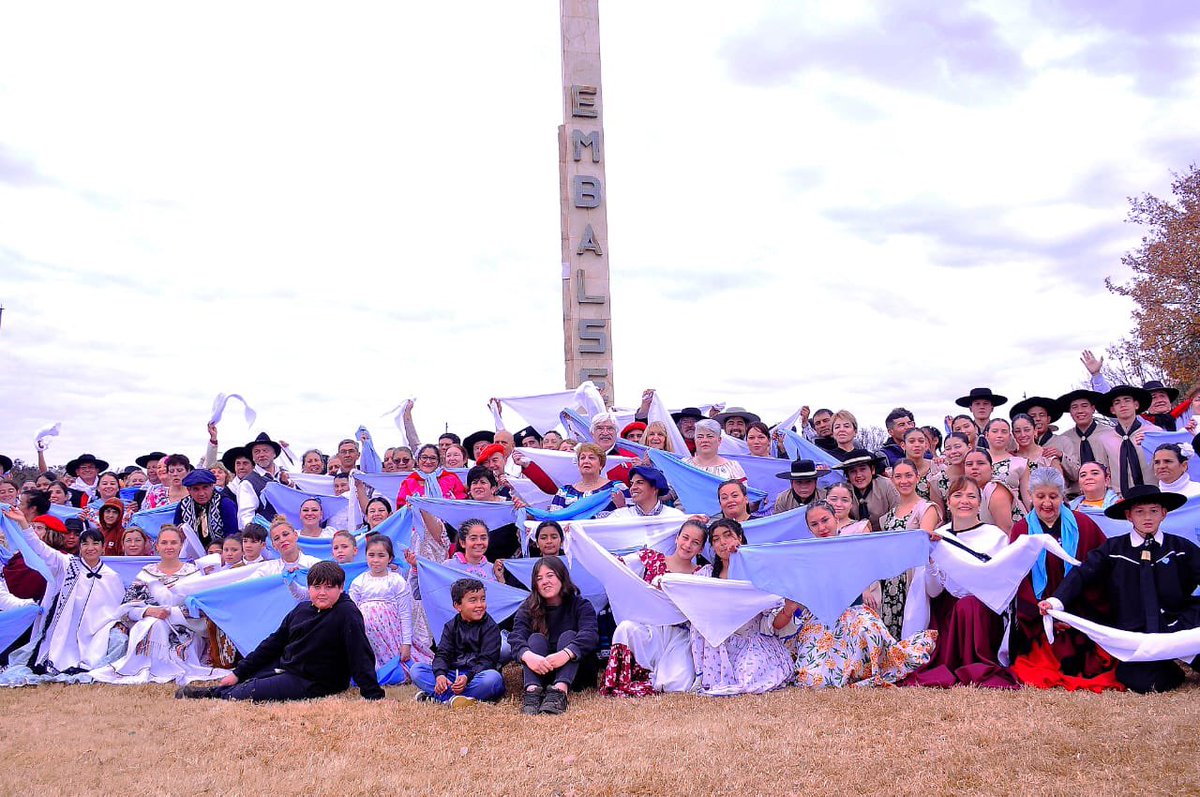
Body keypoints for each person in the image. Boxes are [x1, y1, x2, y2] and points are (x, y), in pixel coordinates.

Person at [1039, 485, 1200, 693]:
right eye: (1139, 512)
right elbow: (1083, 574)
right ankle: (1168, 666)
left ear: (1164, 513)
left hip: (1178, 623)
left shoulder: (1180, 547)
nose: (1147, 517)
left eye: (1153, 511)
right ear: (1129, 516)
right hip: (1135, 631)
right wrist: (1055, 602)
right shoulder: (1113, 549)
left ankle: (1186, 654)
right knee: (1147, 683)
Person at [179, 561, 384, 702]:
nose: (322, 593)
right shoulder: (302, 609)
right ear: (309, 588)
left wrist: (372, 693)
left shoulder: (347, 613)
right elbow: (273, 643)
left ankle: (210, 695)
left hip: (316, 681)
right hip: (289, 667)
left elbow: (360, 653)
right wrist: (238, 672)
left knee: (248, 692)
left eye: (329, 587)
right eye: (317, 587)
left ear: (341, 588)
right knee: (247, 678)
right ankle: (219, 689)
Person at [1007, 468, 1119, 692]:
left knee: (1093, 665)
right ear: (1030, 496)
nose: (1047, 503)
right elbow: (1018, 580)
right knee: (1036, 670)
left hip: (1081, 613)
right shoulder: (1022, 530)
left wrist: (1071, 611)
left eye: (1053, 496)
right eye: (1040, 496)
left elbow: (1099, 570)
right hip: (1041, 617)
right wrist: (1041, 611)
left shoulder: (1084, 525)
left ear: (1062, 496)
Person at [905, 476, 1017, 689]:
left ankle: (975, 661)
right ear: (948, 502)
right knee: (957, 606)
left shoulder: (995, 536)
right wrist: (930, 562)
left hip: (983, 613)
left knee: (968, 605)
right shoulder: (938, 537)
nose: (964, 501)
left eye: (971, 496)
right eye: (958, 495)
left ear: (979, 504)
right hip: (948, 613)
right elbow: (933, 592)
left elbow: (1002, 587)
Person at [1, 506, 125, 677]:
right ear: (80, 547)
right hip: (63, 632)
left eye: (95, 543)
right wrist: (23, 523)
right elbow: (40, 548)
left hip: (96, 634)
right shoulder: (66, 564)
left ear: (103, 548)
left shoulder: (111, 577)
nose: (90, 548)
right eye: (85, 544)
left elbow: (116, 609)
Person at [90, 525, 222, 685]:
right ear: (157, 546)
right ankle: (145, 666)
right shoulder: (146, 573)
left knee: (177, 653)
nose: (169, 547)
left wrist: (173, 613)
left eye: (173, 542)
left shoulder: (194, 573)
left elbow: (203, 608)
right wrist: (148, 611)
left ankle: (165, 665)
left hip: (186, 630)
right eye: (164, 543)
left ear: (181, 545)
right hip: (150, 630)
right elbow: (126, 610)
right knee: (154, 624)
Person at [691, 518, 798, 695]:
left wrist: (789, 609)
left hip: (751, 643)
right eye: (716, 539)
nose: (722, 542)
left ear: (739, 538)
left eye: (727, 535)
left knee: (748, 679)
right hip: (717, 647)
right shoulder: (706, 575)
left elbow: (775, 623)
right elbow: (687, 597)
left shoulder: (758, 573)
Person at [601, 519, 707, 696]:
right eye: (685, 537)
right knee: (626, 629)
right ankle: (630, 675)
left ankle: (661, 673)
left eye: (695, 542)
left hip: (679, 635)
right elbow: (616, 565)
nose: (688, 545)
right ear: (677, 538)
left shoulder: (701, 574)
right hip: (650, 630)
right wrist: (580, 540)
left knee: (676, 685)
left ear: (701, 549)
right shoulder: (651, 559)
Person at [510, 556, 599, 714]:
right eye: (539, 578)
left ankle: (559, 692)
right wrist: (528, 656)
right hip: (542, 671)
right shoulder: (528, 607)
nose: (545, 581)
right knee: (535, 639)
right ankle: (532, 692)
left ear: (562, 577)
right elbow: (516, 636)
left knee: (569, 636)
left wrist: (566, 654)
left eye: (550, 575)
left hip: (576, 673)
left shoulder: (581, 605)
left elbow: (590, 635)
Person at [410, 577, 505, 706]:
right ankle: (457, 699)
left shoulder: (491, 627)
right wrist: (440, 675)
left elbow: (487, 661)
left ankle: (443, 698)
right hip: (453, 676)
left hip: (476, 677)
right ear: (458, 606)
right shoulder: (451, 626)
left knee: (493, 679)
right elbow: (442, 654)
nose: (480, 605)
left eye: (482, 599)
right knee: (416, 670)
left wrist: (467, 677)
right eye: (473, 600)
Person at [876, 458, 941, 638]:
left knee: (911, 629)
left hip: (912, 578)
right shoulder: (888, 515)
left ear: (917, 478)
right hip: (891, 580)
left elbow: (922, 544)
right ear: (892, 480)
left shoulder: (926, 508)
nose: (903, 481)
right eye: (898, 476)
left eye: (908, 475)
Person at [349, 536, 413, 670]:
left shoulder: (397, 581)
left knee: (400, 669)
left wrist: (406, 643)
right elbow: (351, 614)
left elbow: (405, 613)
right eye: (371, 555)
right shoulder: (358, 582)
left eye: (381, 555)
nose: (376, 560)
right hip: (366, 638)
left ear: (390, 558)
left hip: (392, 638)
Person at [1052, 388, 1119, 497]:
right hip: (1075, 496)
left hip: (1109, 494)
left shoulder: (1111, 434)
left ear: (1093, 409)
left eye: (1084, 406)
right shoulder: (1063, 439)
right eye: (1074, 407)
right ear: (1070, 412)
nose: (1080, 411)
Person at [1099, 384, 1161, 494]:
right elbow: (1104, 470)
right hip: (1120, 496)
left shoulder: (1154, 432)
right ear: (1112, 410)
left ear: (1136, 405)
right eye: (1117, 402)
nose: (1122, 405)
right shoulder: (1104, 439)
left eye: (1127, 400)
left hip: (1154, 493)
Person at [550, 443, 627, 517]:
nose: (586, 461)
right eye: (582, 458)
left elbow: (631, 515)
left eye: (591, 458)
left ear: (601, 465)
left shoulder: (616, 487)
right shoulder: (564, 492)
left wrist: (621, 506)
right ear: (578, 465)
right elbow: (553, 519)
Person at [833, 449, 899, 531]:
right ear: (847, 475)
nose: (858, 475)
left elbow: (899, 511)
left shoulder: (886, 485)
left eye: (863, 469)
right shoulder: (844, 491)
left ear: (872, 469)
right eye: (853, 471)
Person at [236, 433, 293, 527]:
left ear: (274, 454)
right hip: (266, 533)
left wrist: (289, 484)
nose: (261, 455)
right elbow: (245, 518)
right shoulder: (248, 483)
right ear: (253, 457)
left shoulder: (286, 475)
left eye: (265, 450)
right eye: (257, 452)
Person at [173, 468, 237, 550]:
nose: (201, 493)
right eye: (196, 489)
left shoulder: (225, 503)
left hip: (221, 552)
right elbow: (176, 533)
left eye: (205, 487)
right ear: (189, 490)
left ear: (212, 486)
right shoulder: (183, 506)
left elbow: (232, 535)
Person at [963, 448, 1021, 533]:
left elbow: (1006, 530)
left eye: (980, 463)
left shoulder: (995, 489)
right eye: (969, 464)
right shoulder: (975, 491)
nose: (974, 467)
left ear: (992, 468)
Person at [395, 445, 466, 507]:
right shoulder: (409, 482)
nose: (428, 461)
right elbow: (401, 507)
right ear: (418, 460)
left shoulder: (451, 478)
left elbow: (463, 502)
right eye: (424, 457)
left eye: (433, 458)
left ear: (438, 461)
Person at [606, 466, 683, 519]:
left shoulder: (674, 516)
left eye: (639, 482)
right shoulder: (619, 516)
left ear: (655, 488)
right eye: (632, 483)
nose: (633, 488)